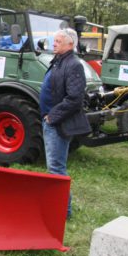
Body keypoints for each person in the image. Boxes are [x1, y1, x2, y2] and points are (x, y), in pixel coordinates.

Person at [40, 28, 90, 219]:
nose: (54, 44)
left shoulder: (73, 65)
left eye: (58, 41)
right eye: (54, 41)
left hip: (57, 123)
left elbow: (75, 98)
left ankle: (62, 212)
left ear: (71, 44)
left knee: (56, 168)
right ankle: (57, 206)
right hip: (51, 121)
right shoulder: (60, 60)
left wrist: (52, 116)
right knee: (53, 167)